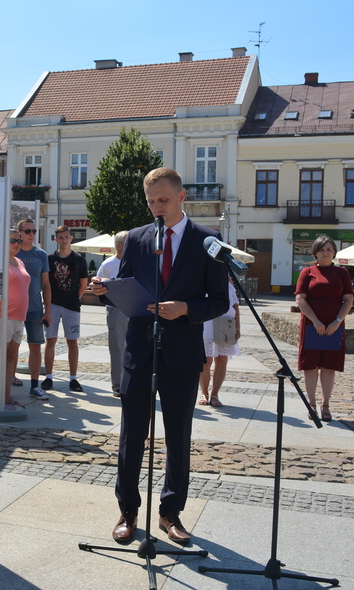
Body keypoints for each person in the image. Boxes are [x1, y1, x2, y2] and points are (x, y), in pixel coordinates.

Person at [90, 167, 228, 546]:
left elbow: (219, 300)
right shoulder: (137, 238)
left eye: (163, 200)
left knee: (178, 436)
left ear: (182, 197)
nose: (156, 207)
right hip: (140, 350)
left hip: (182, 353)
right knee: (131, 435)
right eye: (151, 201)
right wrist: (106, 290)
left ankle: (171, 512)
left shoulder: (209, 241)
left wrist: (186, 308)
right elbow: (126, 288)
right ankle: (128, 510)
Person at [294, 236, 354, 422]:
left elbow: (348, 299)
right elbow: (300, 299)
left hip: (334, 327)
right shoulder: (307, 272)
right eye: (322, 249)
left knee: (329, 366)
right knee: (310, 366)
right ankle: (311, 404)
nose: (325, 253)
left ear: (334, 252)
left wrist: (337, 321)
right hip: (312, 325)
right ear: (315, 252)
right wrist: (315, 321)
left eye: (329, 249)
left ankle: (325, 404)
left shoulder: (342, 272)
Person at [0, 228, 32, 407]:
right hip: (0, 316)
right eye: (12, 240)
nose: (16, 244)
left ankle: (6, 397)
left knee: (10, 359)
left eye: (18, 241)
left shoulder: (19, 261)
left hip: (19, 317)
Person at [43, 225, 89, 392]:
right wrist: (47, 306)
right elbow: (46, 283)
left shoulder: (79, 260)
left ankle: (73, 378)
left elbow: (83, 284)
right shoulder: (50, 259)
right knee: (50, 340)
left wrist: (74, 299)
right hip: (53, 305)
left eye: (66, 237)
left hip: (72, 307)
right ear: (56, 240)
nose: (64, 240)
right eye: (60, 237)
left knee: (72, 341)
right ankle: (48, 377)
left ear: (71, 238)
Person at [15, 218, 52, 400]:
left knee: (35, 347)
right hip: (13, 308)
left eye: (34, 231)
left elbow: (46, 284)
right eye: (28, 231)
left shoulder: (41, 254)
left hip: (35, 308)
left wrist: (48, 310)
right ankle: (8, 379)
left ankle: (35, 386)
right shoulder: (13, 252)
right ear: (19, 233)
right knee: (11, 347)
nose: (31, 234)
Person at [198, 279, 241, 408]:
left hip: (225, 323)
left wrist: (237, 327)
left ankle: (215, 394)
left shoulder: (227, 282)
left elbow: (235, 305)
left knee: (222, 359)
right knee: (206, 360)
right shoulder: (200, 279)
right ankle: (204, 393)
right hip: (207, 322)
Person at [97, 231, 129, 396]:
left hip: (135, 310)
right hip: (116, 310)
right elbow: (97, 287)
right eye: (129, 242)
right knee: (117, 348)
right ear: (119, 245)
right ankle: (118, 385)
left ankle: (132, 383)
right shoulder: (108, 265)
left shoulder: (136, 262)